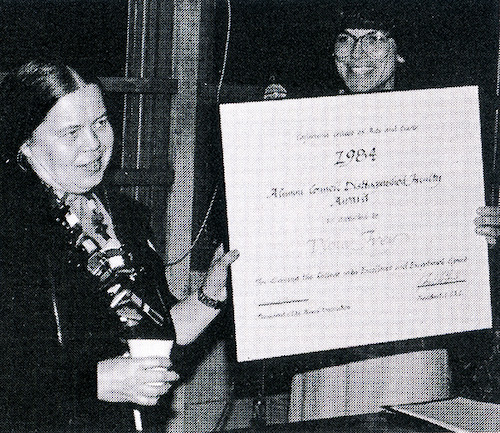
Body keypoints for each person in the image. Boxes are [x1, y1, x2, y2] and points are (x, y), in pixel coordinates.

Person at [0, 59, 239, 432]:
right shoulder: (12, 231)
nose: (94, 144)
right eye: (71, 132)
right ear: (26, 143)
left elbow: (155, 331)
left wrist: (211, 295)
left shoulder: (125, 217)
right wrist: (93, 382)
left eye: (101, 123)